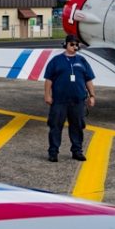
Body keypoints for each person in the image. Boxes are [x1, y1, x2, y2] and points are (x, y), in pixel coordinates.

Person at [43, 34, 96, 162]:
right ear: (66, 45)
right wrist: (47, 95)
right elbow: (48, 80)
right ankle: (53, 152)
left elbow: (88, 80)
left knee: (77, 127)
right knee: (55, 126)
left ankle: (77, 151)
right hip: (59, 101)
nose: (74, 46)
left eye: (76, 44)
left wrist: (92, 96)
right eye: (71, 44)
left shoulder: (82, 61)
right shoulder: (56, 60)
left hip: (78, 101)